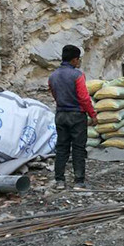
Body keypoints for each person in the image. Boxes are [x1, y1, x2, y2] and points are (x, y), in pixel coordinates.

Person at [48, 45, 98, 190]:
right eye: (78, 59)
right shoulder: (77, 75)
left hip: (60, 114)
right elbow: (84, 98)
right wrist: (92, 114)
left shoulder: (53, 76)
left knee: (62, 147)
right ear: (74, 60)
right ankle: (79, 181)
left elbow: (54, 94)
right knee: (78, 148)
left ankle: (59, 181)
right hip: (76, 115)